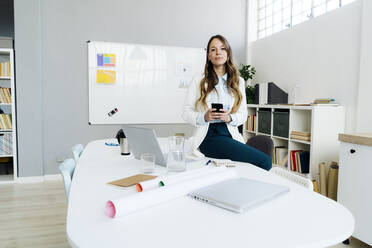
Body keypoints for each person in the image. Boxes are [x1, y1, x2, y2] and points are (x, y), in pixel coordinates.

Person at [182, 34, 272, 170]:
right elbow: (186, 112)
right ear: (208, 55)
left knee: (252, 164)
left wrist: (229, 117)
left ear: (228, 53)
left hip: (230, 133)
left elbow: (243, 114)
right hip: (208, 136)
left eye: (222, 48)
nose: (218, 52)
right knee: (264, 161)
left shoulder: (238, 81)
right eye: (213, 49)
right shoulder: (198, 80)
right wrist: (203, 117)